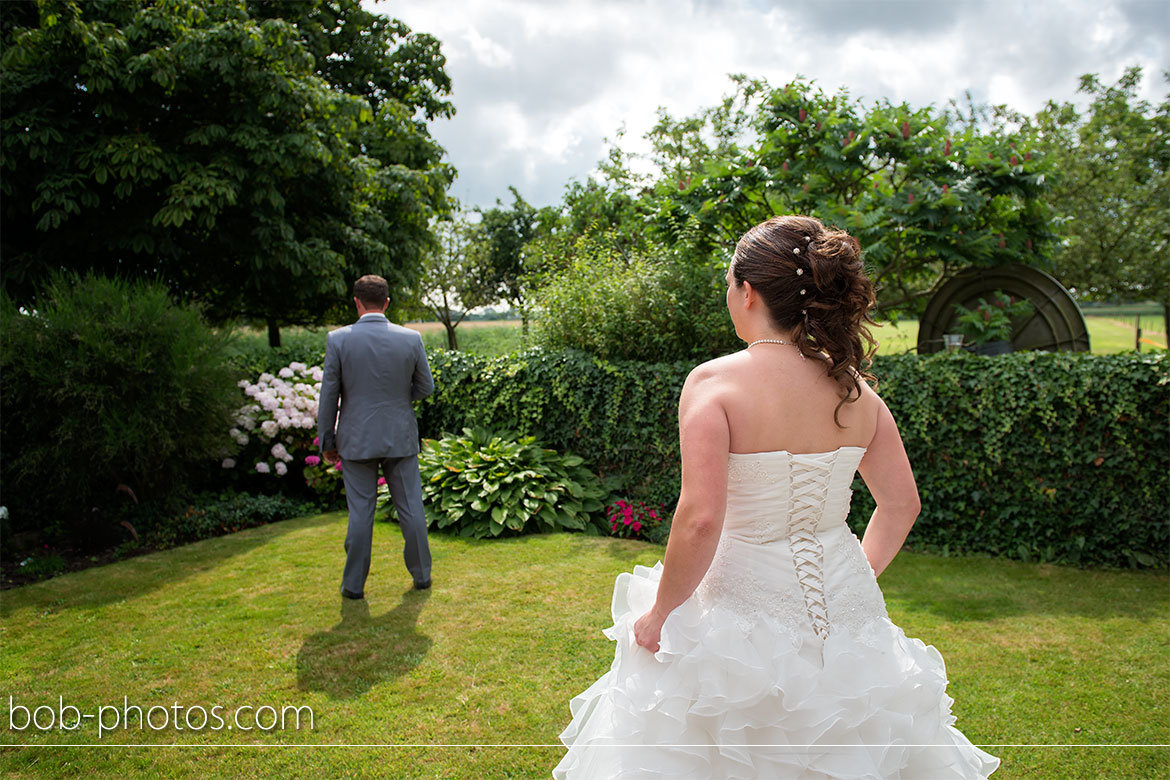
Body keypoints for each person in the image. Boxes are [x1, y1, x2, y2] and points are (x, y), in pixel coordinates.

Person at [553, 216, 1000, 779]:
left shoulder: (714, 383)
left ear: (748, 291)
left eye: (728, 284)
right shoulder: (856, 392)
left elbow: (700, 519)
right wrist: (852, 574)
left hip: (739, 620)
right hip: (849, 616)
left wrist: (659, 614)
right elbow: (902, 505)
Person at [318, 274, 435, 598]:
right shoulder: (410, 338)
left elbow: (328, 397)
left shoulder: (338, 339)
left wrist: (327, 441)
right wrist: (398, 400)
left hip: (355, 438)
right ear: (386, 302)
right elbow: (426, 388)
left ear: (356, 302)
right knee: (411, 508)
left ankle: (354, 585)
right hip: (399, 435)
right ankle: (422, 576)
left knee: (360, 513)